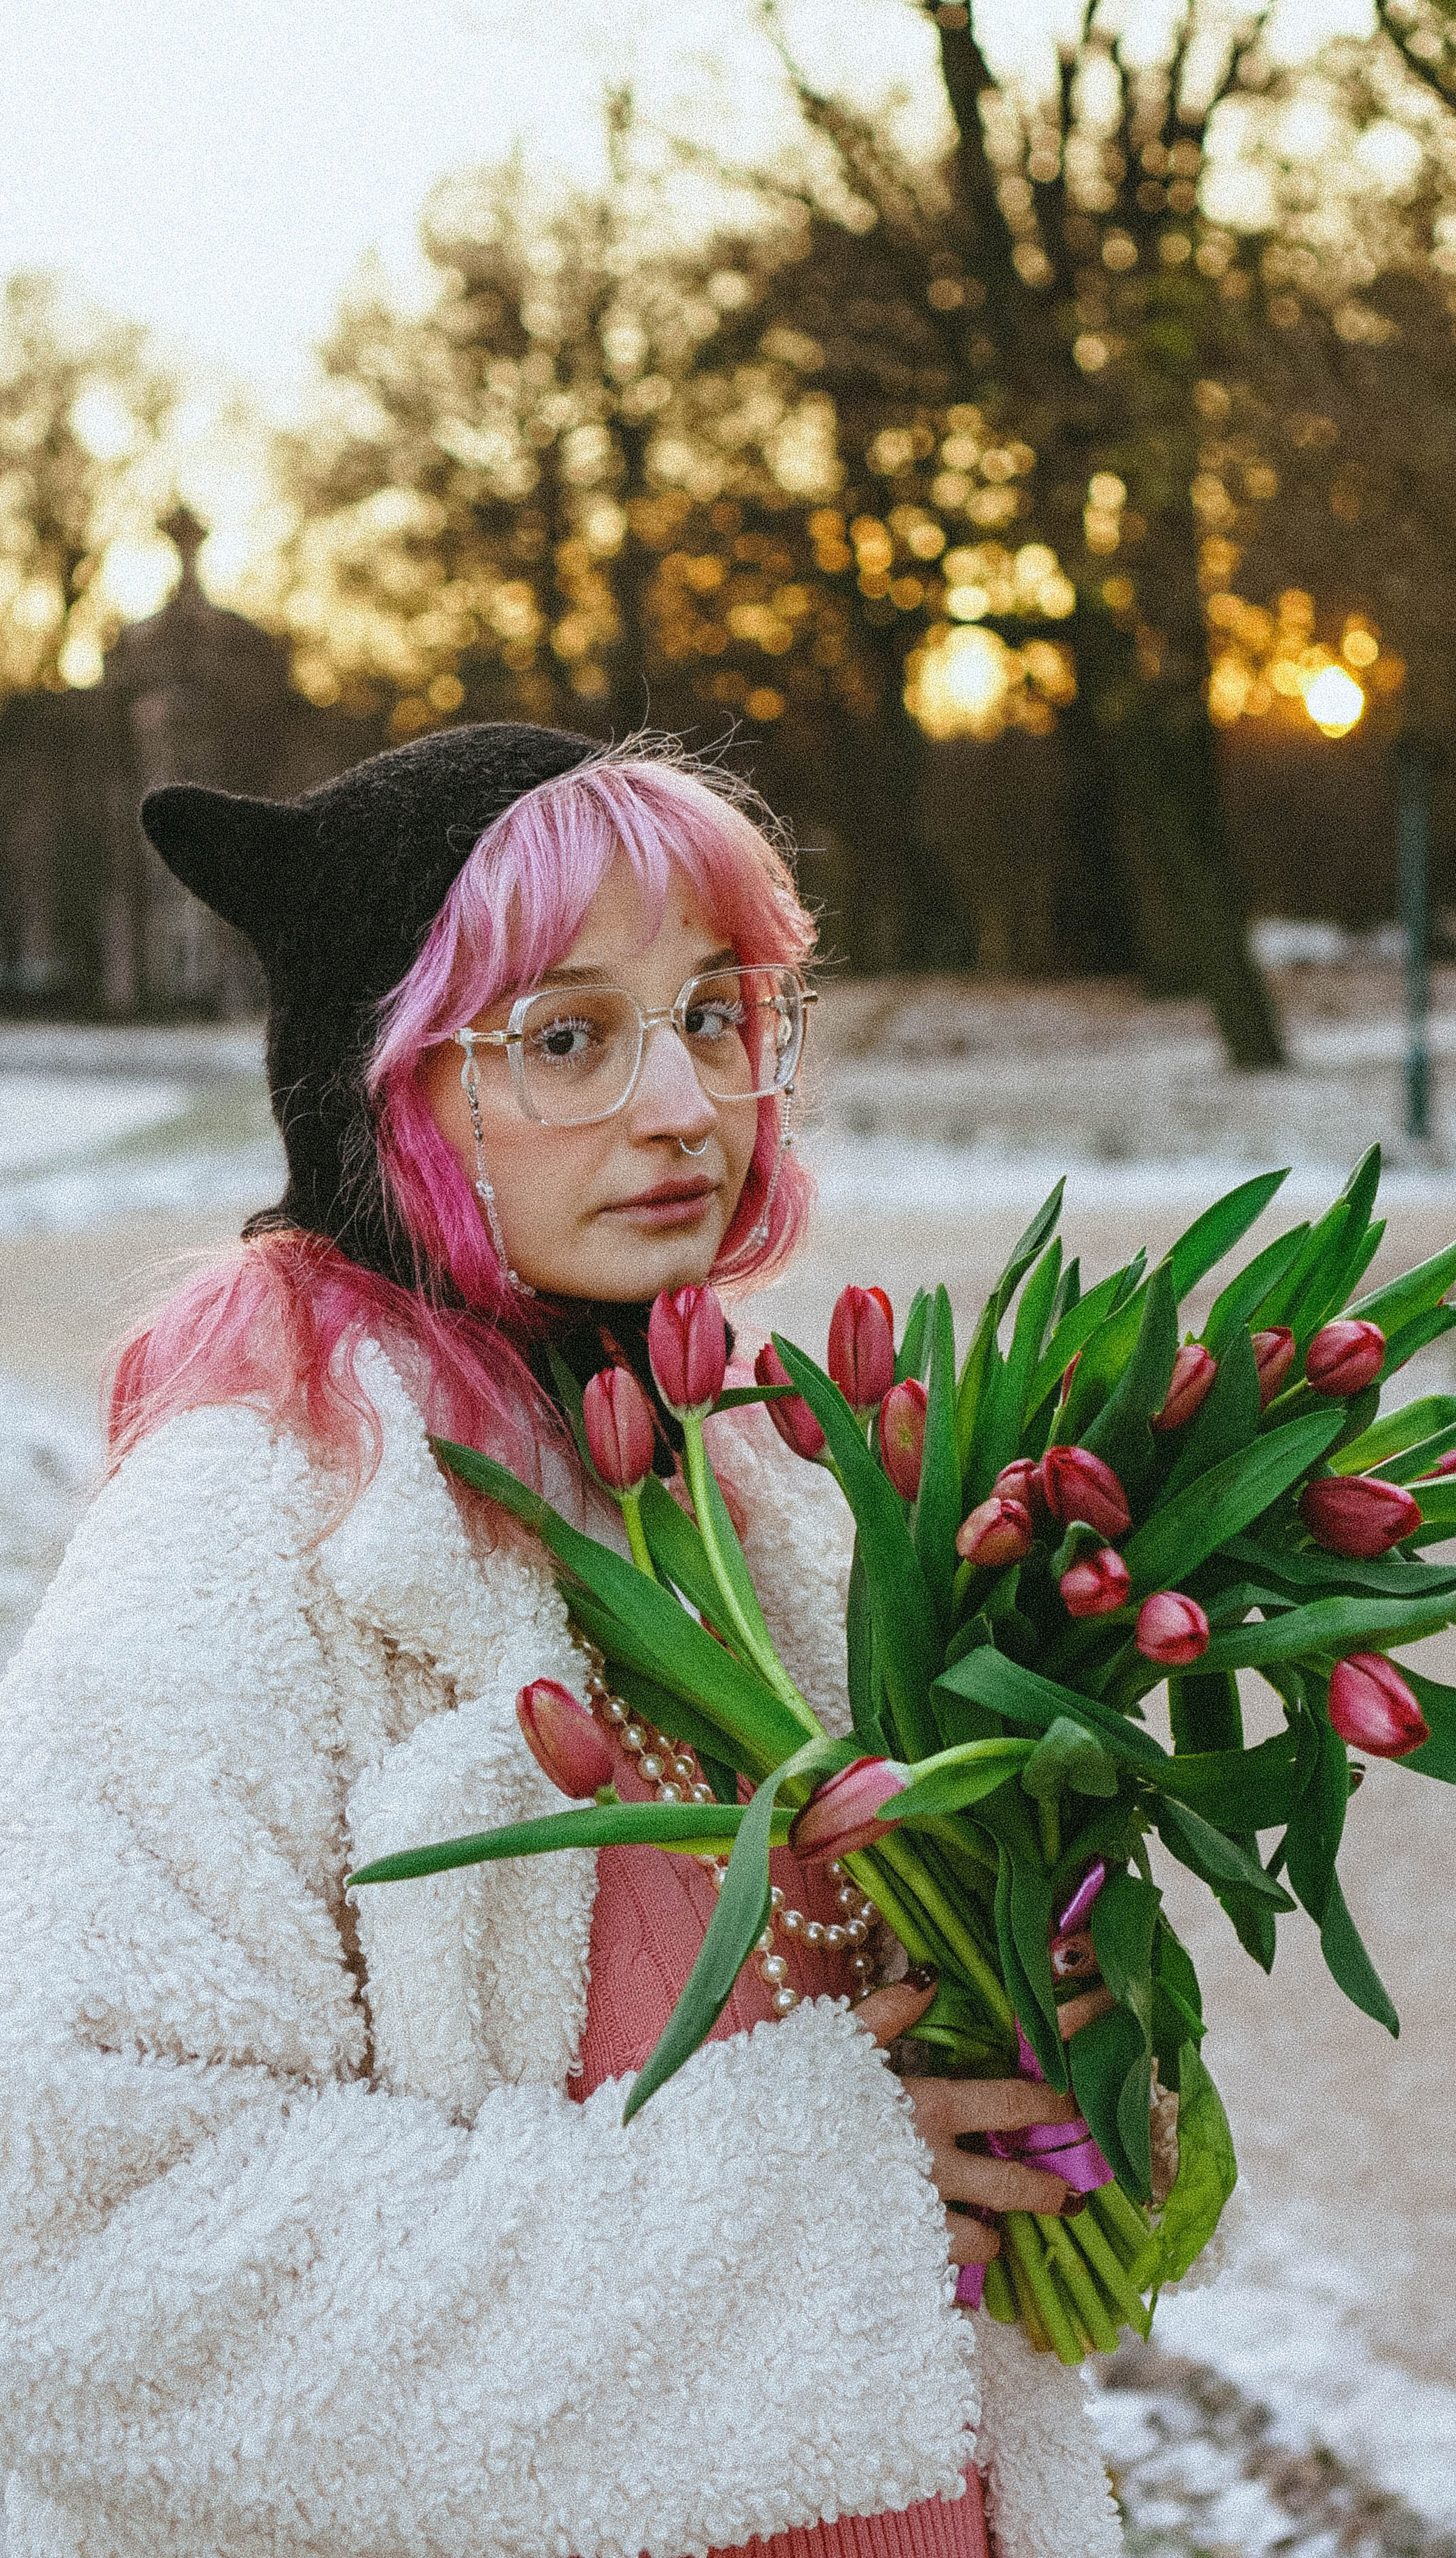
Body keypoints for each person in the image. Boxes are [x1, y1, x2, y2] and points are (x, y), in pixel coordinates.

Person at [0, 725, 1124, 2558]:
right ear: (387, 1088)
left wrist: (1057, 2042)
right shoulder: (249, 1536)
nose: (684, 1105)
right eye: (571, 1038)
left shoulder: (756, 1483)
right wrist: (816, 2209)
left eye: (716, 1014)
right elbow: (81, 2268)